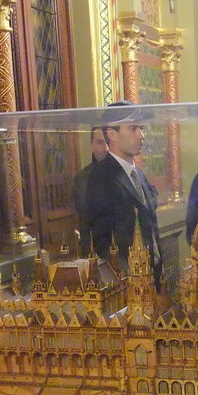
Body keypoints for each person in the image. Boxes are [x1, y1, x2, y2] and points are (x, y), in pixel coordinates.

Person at [81, 102, 162, 287]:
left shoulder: (137, 174)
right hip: (127, 281)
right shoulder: (101, 176)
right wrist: (120, 277)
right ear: (111, 134)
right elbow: (99, 238)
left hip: (150, 274)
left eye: (141, 128)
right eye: (133, 128)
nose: (141, 135)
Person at [72, 126, 108, 222]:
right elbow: (86, 214)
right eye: (100, 143)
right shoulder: (82, 178)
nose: (106, 148)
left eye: (109, 142)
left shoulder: (124, 173)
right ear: (91, 145)